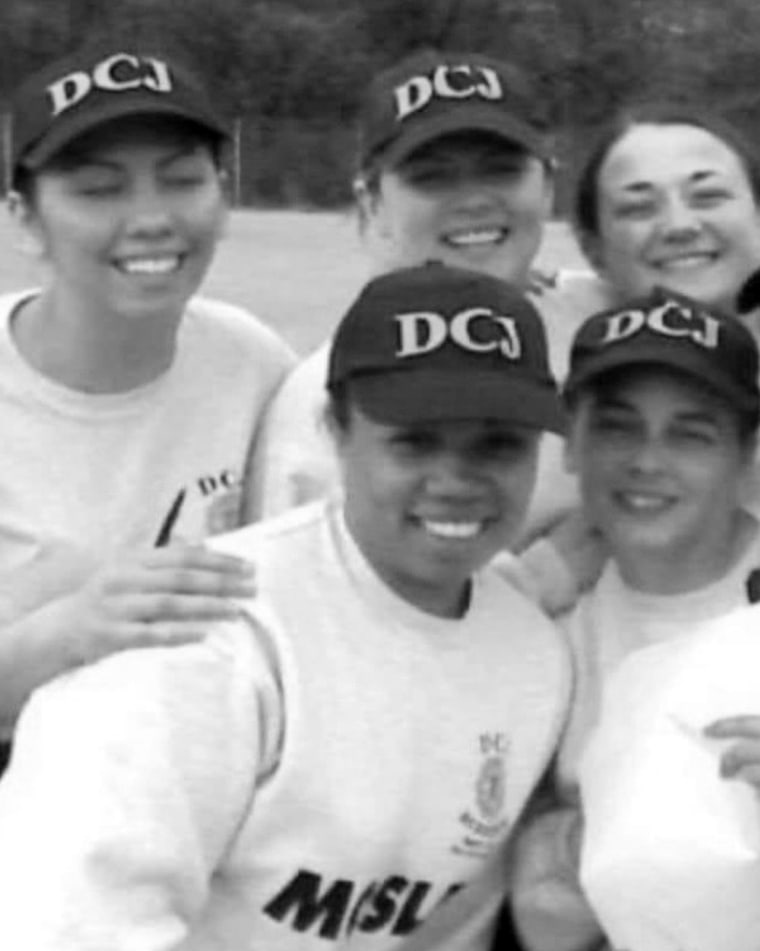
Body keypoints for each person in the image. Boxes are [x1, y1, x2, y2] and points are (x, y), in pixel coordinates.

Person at [0, 262, 571, 950]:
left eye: (498, 445)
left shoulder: (533, 652)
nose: (455, 480)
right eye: (414, 441)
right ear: (335, 429)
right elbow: (64, 922)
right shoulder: (204, 627)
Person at [0, 43, 294, 754]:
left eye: (183, 179)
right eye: (100, 190)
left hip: (181, 783)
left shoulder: (249, 361)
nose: (152, 217)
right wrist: (68, 631)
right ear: (23, 217)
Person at [246, 48, 606, 547]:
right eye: (432, 176)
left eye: (500, 169)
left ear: (548, 185)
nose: (475, 198)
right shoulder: (331, 394)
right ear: (371, 202)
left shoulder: (605, 323)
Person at [510, 286, 760, 951]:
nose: (648, 461)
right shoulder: (537, 618)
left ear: (748, 453)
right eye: (618, 426)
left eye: (692, 433)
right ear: (570, 441)